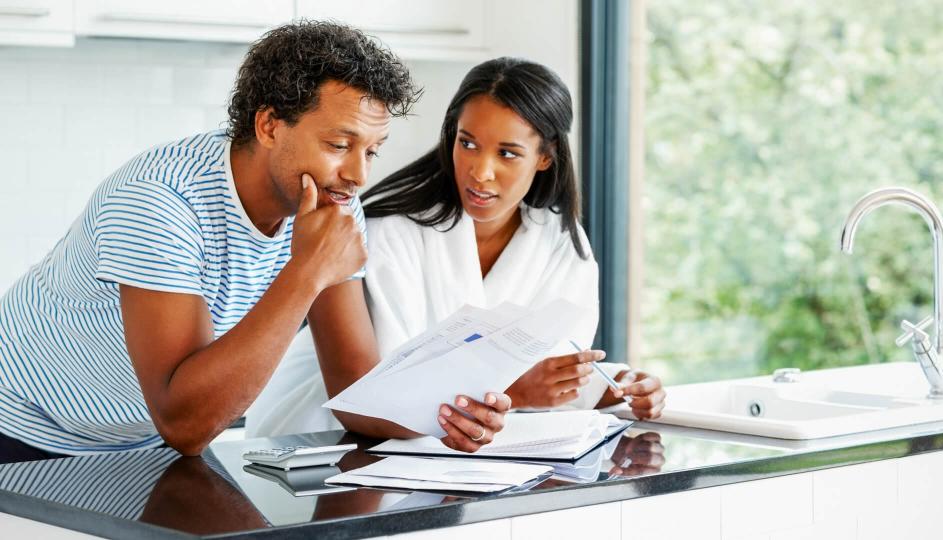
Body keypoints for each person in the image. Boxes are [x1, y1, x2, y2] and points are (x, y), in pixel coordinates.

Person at [0, 20, 510, 462]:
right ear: (268, 125)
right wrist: (306, 273)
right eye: (338, 145)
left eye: (372, 151)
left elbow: (356, 391)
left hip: (140, 439)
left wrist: (445, 417)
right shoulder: (159, 202)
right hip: (24, 429)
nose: (357, 174)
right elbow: (186, 425)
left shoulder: (333, 200)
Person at [247, 58, 666, 443]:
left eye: (507, 153)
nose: (480, 172)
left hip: (453, 451)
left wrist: (617, 384)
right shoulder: (391, 231)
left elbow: (555, 368)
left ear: (545, 157)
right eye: (468, 143)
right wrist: (514, 391)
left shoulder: (559, 241)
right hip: (322, 436)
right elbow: (389, 391)